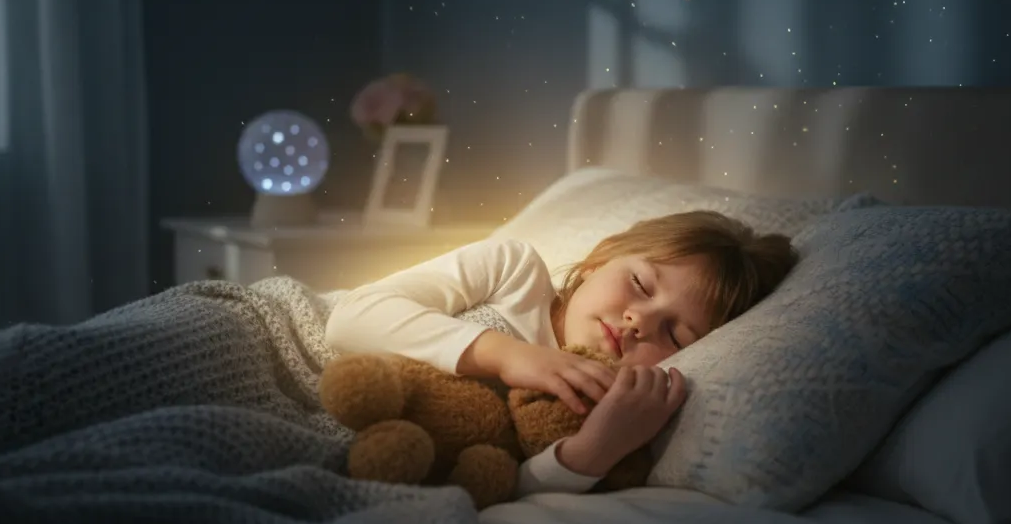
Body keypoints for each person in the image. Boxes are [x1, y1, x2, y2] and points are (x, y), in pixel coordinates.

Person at [324, 210, 798, 498]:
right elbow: (351, 317)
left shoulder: (599, 402)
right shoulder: (513, 272)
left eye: (675, 335)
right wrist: (509, 356)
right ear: (600, 259)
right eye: (639, 283)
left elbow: (502, 485)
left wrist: (595, 448)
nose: (640, 322)